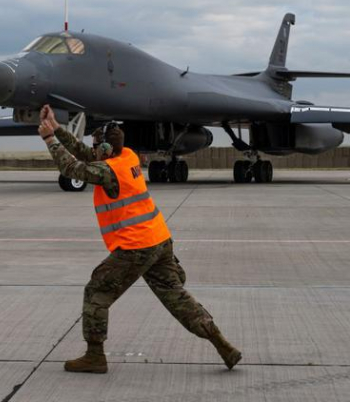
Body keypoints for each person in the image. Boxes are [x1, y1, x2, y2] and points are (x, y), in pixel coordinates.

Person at [37, 105, 241, 374]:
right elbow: (86, 155)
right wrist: (58, 129)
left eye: (97, 145)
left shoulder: (107, 171)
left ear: (106, 150)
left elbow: (73, 167)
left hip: (135, 247)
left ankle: (94, 356)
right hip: (159, 240)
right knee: (177, 297)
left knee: (96, 292)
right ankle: (222, 343)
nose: (93, 149)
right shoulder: (128, 157)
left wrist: (49, 139)